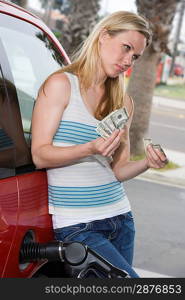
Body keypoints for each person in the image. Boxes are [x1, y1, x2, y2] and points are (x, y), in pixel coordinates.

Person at [31, 11, 168, 278]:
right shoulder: (61, 85)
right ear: (104, 36)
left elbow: (118, 171)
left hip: (121, 218)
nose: (128, 61)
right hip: (79, 227)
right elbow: (40, 155)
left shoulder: (123, 101)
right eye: (126, 48)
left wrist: (147, 163)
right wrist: (90, 148)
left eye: (135, 57)